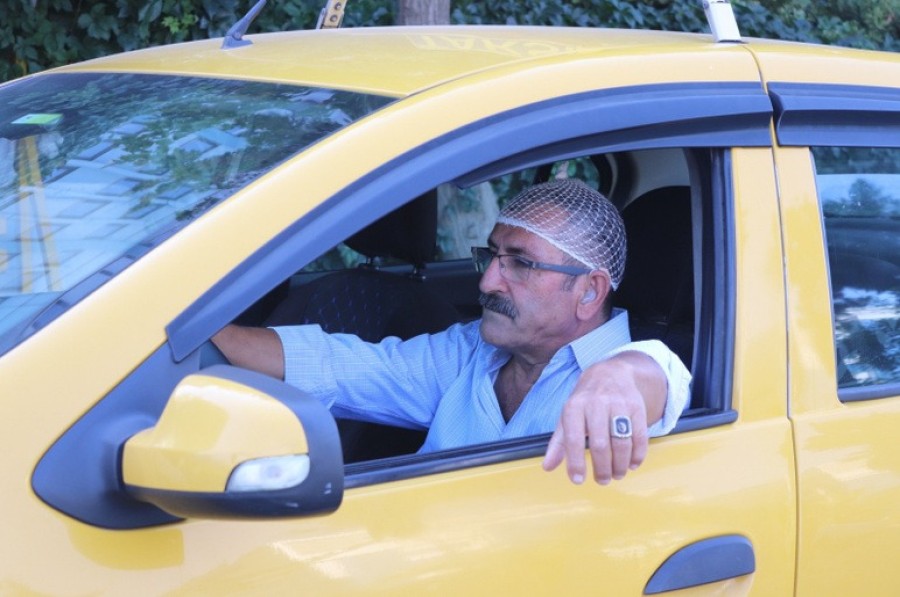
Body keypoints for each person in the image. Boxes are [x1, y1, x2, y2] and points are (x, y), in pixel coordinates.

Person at [214, 179, 691, 485]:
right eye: (492, 256)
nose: (487, 282)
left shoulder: (629, 370)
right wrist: (210, 336)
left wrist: (616, 377)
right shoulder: (470, 350)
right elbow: (341, 365)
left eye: (520, 263)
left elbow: (657, 380)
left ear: (590, 291)